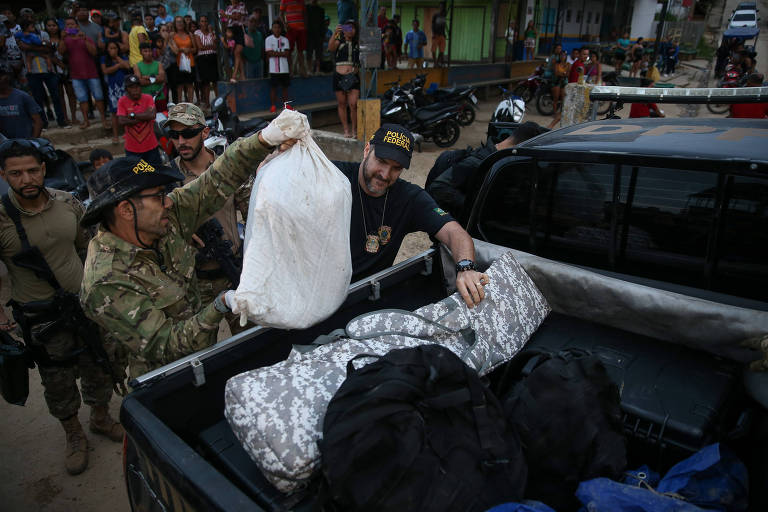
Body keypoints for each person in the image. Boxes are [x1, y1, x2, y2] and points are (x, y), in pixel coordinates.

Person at [79, 110, 300, 380]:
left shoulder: (167, 217)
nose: (168, 201)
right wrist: (219, 305)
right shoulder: (106, 280)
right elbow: (166, 345)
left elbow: (215, 180)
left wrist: (264, 139)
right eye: (159, 196)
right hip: (168, 379)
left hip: (201, 353)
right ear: (126, 210)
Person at [0, 140, 123, 476]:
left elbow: (91, 247)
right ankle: (73, 434)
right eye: (15, 173)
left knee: (100, 362)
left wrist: (98, 288)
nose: (25, 179)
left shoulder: (67, 202)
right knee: (57, 379)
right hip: (42, 318)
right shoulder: (2, 217)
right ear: (4, 175)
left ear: (43, 170)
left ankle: (100, 417)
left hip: (84, 305)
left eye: (31, 170)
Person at [332, 124, 490, 308]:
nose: (385, 174)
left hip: (365, 298)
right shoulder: (333, 176)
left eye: (396, 168)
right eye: (381, 161)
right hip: (320, 295)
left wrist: (466, 268)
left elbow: (454, 232)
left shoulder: (409, 198)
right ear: (367, 150)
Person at [165, 103, 252, 329]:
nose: (181, 141)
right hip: (193, 283)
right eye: (175, 135)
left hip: (232, 271)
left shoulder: (228, 169)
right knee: (200, 353)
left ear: (204, 132)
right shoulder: (165, 178)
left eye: (189, 133)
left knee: (250, 339)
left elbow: (254, 218)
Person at [426, 122, 543, 220]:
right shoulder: (476, 162)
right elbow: (438, 187)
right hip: (457, 228)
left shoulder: (498, 160)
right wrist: (475, 206)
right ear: (520, 145)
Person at [18, 21, 68, 130]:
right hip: (32, 72)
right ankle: (43, 123)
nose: (33, 26)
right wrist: (40, 47)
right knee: (38, 99)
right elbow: (23, 47)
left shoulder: (43, 34)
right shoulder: (20, 35)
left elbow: (49, 48)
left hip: (48, 70)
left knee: (55, 96)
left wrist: (31, 47)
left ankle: (61, 121)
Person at [60, 17, 107, 130]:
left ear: (77, 26)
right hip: (76, 75)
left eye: (72, 24)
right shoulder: (66, 40)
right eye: (68, 25)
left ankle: (103, 119)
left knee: (99, 97)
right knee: (82, 99)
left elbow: (94, 52)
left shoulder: (86, 38)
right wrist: (62, 39)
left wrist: (85, 39)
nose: (70, 26)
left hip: (91, 73)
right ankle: (86, 121)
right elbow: (61, 52)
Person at [117, 74, 161, 166]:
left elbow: (152, 115)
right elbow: (121, 121)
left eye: (137, 86)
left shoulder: (148, 98)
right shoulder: (122, 101)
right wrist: (145, 116)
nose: (135, 89)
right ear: (126, 89)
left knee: (156, 173)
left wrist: (132, 115)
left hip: (151, 146)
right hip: (132, 149)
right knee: (136, 176)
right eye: (131, 87)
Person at [329, 21, 359, 138]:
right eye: (348, 28)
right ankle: (346, 130)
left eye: (353, 28)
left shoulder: (357, 43)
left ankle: (354, 130)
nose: (350, 30)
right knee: (342, 103)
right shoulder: (339, 41)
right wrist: (336, 33)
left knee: (353, 104)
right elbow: (331, 48)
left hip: (352, 76)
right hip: (338, 74)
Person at [45, 18, 78, 127]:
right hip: (54, 70)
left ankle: (74, 116)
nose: (52, 27)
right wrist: (58, 63)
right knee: (59, 95)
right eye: (49, 25)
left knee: (71, 93)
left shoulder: (64, 36)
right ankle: (65, 117)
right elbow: (47, 54)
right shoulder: (45, 39)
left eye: (54, 25)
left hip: (67, 68)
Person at [101, 40, 131, 143]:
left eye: (115, 48)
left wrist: (117, 58)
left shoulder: (122, 57)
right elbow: (105, 71)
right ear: (107, 50)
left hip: (124, 88)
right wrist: (118, 66)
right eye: (111, 48)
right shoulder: (104, 59)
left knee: (126, 111)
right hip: (112, 89)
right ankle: (115, 135)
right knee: (114, 113)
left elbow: (127, 66)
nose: (113, 50)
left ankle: (128, 134)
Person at [0, 68, 42, 138]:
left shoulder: (22, 96)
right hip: (4, 144)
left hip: (24, 142)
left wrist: (32, 141)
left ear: (7, 78)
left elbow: (38, 122)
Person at [265, 20, 291, 113]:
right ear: (272, 29)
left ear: (281, 29)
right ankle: (273, 106)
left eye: (278, 27)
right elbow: (269, 53)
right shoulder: (268, 39)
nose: (276, 29)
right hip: (273, 69)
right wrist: (281, 53)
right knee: (273, 88)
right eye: (275, 27)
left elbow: (287, 54)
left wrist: (275, 53)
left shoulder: (285, 40)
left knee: (285, 88)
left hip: (284, 68)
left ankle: (286, 106)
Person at [170, 16, 196, 103]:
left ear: (184, 23)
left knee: (190, 84)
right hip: (178, 63)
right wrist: (182, 49)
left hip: (190, 62)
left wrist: (189, 50)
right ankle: (180, 104)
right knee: (179, 85)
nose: (179, 23)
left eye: (181, 22)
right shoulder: (173, 35)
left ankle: (191, 104)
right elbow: (175, 50)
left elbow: (195, 49)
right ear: (175, 24)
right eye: (177, 22)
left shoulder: (190, 35)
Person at [134, 42, 166, 112]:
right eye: (145, 51)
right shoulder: (137, 66)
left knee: (163, 118)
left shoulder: (158, 64)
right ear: (140, 52)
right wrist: (156, 78)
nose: (148, 53)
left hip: (159, 97)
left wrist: (147, 77)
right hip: (145, 98)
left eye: (149, 51)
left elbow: (162, 78)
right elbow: (140, 82)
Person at [195, 15, 219, 107]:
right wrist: (210, 46)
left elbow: (216, 45)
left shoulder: (211, 32)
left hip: (212, 57)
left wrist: (211, 32)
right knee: (206, 82)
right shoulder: (197, 32)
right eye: (202, 21)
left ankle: (217, 101)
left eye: (205, 21)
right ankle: (207, 103)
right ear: (199, 23)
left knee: (215, 81)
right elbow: (200, 47)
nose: (204, 23)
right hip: (203, 59)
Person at [280, 0, 308, 77]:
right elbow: (281, 14)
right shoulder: (284, 0)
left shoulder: (302, 1)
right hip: (291, 29)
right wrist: (285, 24)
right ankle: (290, 71)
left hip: (301, 28)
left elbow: (304, 13)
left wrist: (305, 26)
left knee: (301, 51)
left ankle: (302, 70)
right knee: (289, 50)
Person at [223, 0, 247, 83]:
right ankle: (242, 75)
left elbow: (238, 17)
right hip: (231, 30)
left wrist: (225, 15)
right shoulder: (228, 8)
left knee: (237, 52)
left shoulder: (241, 5)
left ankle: (234, 74)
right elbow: (225, 20)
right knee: (236, 54)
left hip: (239, 30)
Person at [547, 43, 568, 128]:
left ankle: (560, 113)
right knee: (555, 98)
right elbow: (556, 73)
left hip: (563, 82)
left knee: (563, 99)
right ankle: (555, 113)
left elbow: (567, 74)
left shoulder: (567, 64)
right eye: (562, 55)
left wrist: (561, 74)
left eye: (564, 55)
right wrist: (563, 73)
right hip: (556, 82)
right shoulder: (555, 62)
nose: (563, 57)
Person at [306, 0, 325, 74]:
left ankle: (318, 70)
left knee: (319, 53)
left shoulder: (321, 10)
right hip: (309, 34)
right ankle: (309, 69)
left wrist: (322, 35)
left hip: (318, 34)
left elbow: (322, 23)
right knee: (309, 53)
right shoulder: (306, 8)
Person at [243, 15, 264, 80]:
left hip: (259, 62)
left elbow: (262, 48)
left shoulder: (259, 34)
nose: (253, 23)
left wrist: (261, 60)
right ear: (247, 22)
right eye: (251, 21)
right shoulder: (244, 33)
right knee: (250, 84)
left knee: (260, 83)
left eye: (255, 22)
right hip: (248, 63)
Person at [431, 3, 447, 68]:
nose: (441, 8)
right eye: (440, 6)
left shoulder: (444, 15)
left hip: (442, 34)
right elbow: (432, 25)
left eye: (442, 7)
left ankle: (437, 62)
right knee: (433, 50)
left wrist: (444, 34)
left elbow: (443, 26)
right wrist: (433, 33)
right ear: (439, 7)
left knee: (442, 50)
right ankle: (435, 63)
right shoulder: (436, 15)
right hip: (436, 34)